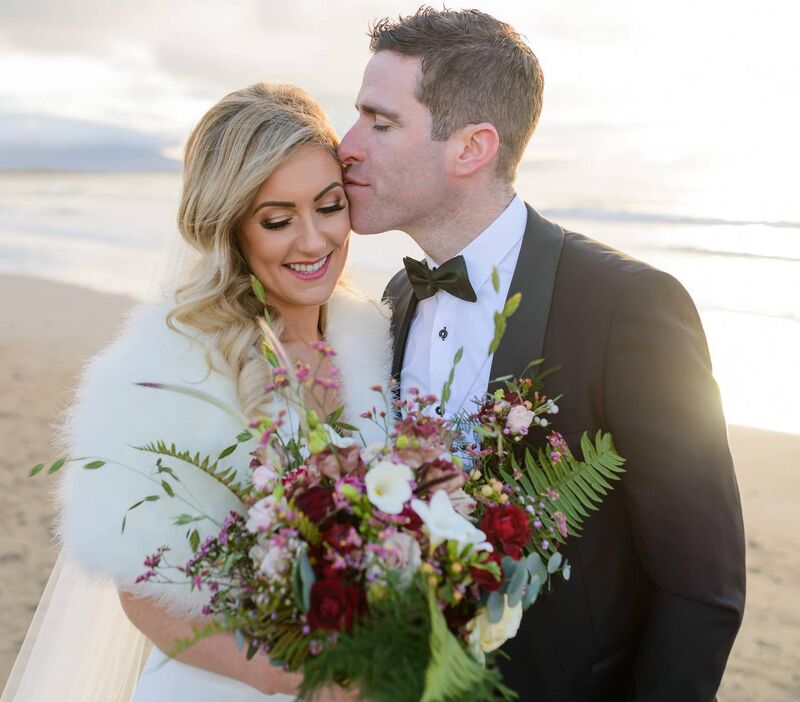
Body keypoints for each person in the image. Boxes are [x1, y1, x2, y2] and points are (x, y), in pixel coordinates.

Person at [338, 7, 747, 702]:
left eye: (380, 123)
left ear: (470, 148)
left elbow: (703, 584)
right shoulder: (397, 300)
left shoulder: (630, 307)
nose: (346, 144)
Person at [3, 83, 388, 701]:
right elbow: (141, 588)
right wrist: (284, 674)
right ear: (230, 228)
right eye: (278, 220)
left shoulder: (373, 335)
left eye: (330, 205)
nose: (315, 241)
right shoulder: (171, 366)